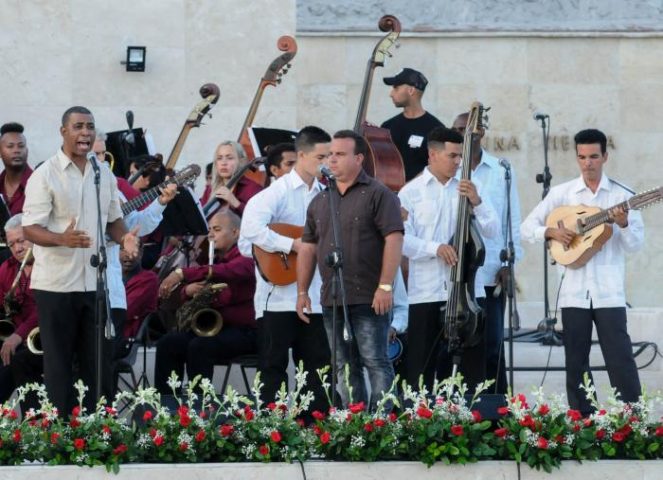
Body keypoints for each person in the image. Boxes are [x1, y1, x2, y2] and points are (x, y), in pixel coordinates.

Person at [22, 106, 139, 414]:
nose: (85, 132)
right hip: (56, 286)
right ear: (64, 132)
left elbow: (113, 219)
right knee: (59, 364)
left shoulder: (104, 174)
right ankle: (60, 434)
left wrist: (125, 238)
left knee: (98, 362)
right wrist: (62, 238)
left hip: (95, 285)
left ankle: (97, 428)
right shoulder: (44, 174)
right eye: (78, 126)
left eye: (90, 126)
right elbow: (30, 227)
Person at [520, 128, 644, 415]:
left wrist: (623, 224)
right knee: (576, 360)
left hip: (609, 292)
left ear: (605, 156)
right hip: (573, 292)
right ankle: (582, 420)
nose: (587, 163)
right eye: (582, 157)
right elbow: (527, 227)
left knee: (620, 356)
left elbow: (636, 245)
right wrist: (550, 231)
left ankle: (632, 419)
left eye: (593, 157)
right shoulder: (562, 194)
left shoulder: (622, 195)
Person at [297, 129, 404, 411]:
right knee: (344, 365)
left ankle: (383, 423)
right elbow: (307, 247)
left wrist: (385, 286)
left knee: (375, 361)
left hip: (369, 296)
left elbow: (394, 239)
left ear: (358, 159)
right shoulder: (320, 200)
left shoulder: (379, 194)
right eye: (330, 154)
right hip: (332, 297)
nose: (332, 160)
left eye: (340, 154)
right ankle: (354, 424)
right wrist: (301, 291)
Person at [239, 126, 331, 417]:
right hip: (276, 296)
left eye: (330, 156)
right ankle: (270, 432)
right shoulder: (274, 193)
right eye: (321, 156)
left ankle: (314, 430)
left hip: (315, 295)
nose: (327, 162)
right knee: (273, 367)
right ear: (301, 155)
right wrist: (292, 244)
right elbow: (250, 233)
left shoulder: (327, 194)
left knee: (317, 368)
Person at [398, 126, 498, 392]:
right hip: (427, 292)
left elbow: (492, 230)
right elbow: (402, 241)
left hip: (467, 293)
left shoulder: (468, 188)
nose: (458, 162)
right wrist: (435, 248)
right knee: (421, 368)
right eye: (453, 156)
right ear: (433, 154)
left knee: (471, 371)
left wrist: (477, 201)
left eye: (460, 157)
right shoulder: (410, 193)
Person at [451, 112, 523, 394]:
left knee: (492, 343)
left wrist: (511, 263)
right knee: (460, 341)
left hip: (490, 268)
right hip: (456, 271)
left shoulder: (501, 169)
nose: (464, 135)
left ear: (482, 132)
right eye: (458, 130)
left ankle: (497, 409)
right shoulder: (449, 168)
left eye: (469, 130)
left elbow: (511, 219)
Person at [155, 210, 256, 393]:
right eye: (209, 229)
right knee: (168, 343)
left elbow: (225, 275)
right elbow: (187, 292)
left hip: (244, 331)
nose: (210, 234)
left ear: (235, 232)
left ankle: (199, 407)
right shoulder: (210, 257)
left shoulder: (247, 258)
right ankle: (166, 405)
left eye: (216, 229)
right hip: (216, 329)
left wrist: (183, 274)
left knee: (200, 346)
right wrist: (188, 290)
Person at [0, 214, 38, 405]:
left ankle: (34, 424)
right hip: (16, 341)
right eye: (11, 244)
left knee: (20, 362)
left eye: (21, 241)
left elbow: (44, 310)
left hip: (44, 339)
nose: (17, 248)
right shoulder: (6, 269)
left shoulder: (49, 265)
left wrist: (18, 336)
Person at [381, 68, 445, 181]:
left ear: (411, 90)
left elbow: (439, 166)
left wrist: (408, 189)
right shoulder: (387, 127)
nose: (391, 94)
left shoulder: (436, 129)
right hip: (389, 194)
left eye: (396, 88)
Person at [201, 141, 262, 216]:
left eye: (229, 158)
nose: (223, 163)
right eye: (219, 158)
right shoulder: (210, 188)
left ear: (241, 161)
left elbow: (258, 218)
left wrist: (236, 203)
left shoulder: (253, 188)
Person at [0, 122, 33, 216]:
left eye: (21, 146)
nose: (16, 150)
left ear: (27, 151)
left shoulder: (39, 183)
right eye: (10, 146)